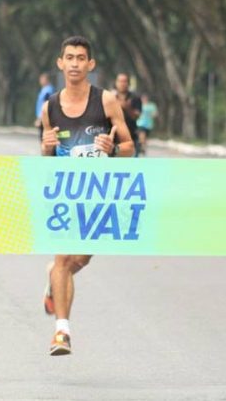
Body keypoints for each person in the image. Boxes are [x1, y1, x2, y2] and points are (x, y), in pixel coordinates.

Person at [40, 36, 134, 356]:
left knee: (79, 259)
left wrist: (114, 149)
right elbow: (47, 160)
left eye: (82, 58)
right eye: (70, 57)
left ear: (91, 65)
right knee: (64, 259)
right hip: (67, 197)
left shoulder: (106, 101)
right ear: (60, 63)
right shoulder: (50, 107)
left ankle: (55, 280)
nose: (76, 63)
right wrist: (46, 147)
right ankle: (61, 333)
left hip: (98, 197)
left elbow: (130, 149)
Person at [113, 73, 142, 157]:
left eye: (124, 81)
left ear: (128, 83)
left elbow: (137, 116)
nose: (122, 83)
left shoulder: (135, 97)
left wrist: (127, 107)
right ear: (116, 83)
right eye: (120, 81)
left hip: (131, 136)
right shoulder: (110, 97)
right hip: (114, 138)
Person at [34, 72, 55, 141]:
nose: (40, 81)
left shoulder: (48, 91)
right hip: (43, 116)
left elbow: (45, 104)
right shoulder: (44, 89)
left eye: (42, 79)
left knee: (44, 137)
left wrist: (40, 118)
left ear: (47, 80)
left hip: (45, 117)